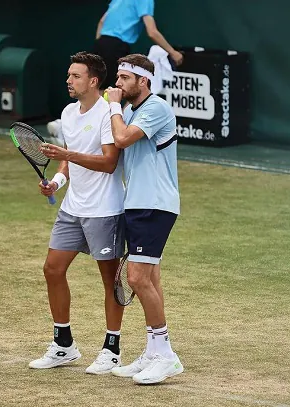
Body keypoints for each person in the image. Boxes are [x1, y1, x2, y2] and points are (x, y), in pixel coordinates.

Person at [28, 51, 126, 375]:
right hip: (73, 206)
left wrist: (68, 152)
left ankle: (112, 350)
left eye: (75, 76)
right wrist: (56, 182)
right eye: (69, 75)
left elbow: (110, 163)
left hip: (105, 210)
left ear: (93, 81)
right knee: (52, 269)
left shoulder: (108, 115)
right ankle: (63, 345)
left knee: (110, 280)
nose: (68, 81)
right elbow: (67, 162)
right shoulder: (68, 113)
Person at [104, 54, 183, 384]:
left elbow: (121, 140)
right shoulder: (131, 111)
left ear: (143, 81)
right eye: (117, 78)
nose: (118, 84)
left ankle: (165, 355)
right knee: (149, 279)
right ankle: (153, 350)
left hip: (154, 204)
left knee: (137, 279)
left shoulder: (155, 107)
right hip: (137, 203)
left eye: (124, 78)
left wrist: (111, 106)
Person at [47, 0, 184, 140]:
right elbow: (152, 32)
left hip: (101, 43)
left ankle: (68, 127)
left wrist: (100, 48)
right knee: (113, 91)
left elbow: (101, 22)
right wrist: (172, 52)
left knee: (98, 91)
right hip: (116, 46)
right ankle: (69, 128)